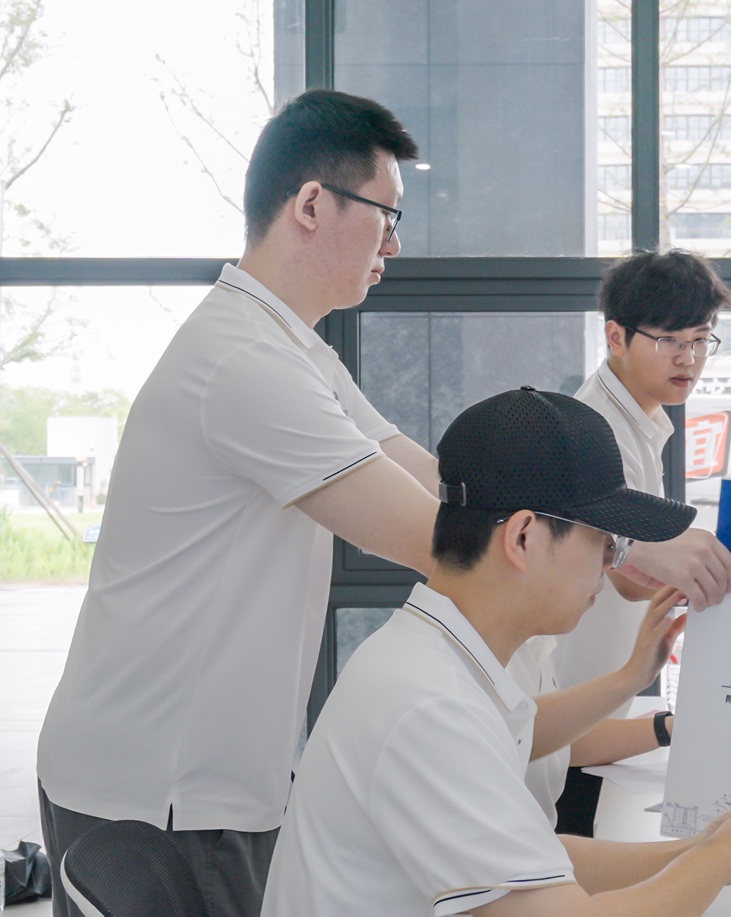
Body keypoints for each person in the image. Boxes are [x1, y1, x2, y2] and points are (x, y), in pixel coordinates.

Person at [34, 90, 446, 916]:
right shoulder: (243, 363)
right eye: (387, 215)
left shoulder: (292, 349)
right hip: (158, 795)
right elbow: (433, 538)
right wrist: (610, 550)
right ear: (311, 205)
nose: (394, 244)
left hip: (195, 785)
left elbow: (423, 476)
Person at [261, 387, 731, 917]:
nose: (610, 564)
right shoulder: (432, 705)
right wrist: (721, 857)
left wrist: (713, 846)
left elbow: (544, 864)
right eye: (602, 541)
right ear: (524, 537)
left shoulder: (441, 661)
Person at [516, 249, 731, 836]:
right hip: (567, 723)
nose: (688, 359)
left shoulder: (637, 420)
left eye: (701, 340)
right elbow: (633, 578)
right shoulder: (601, 432)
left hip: (594, 716)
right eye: (670, 341)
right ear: (616, 336)